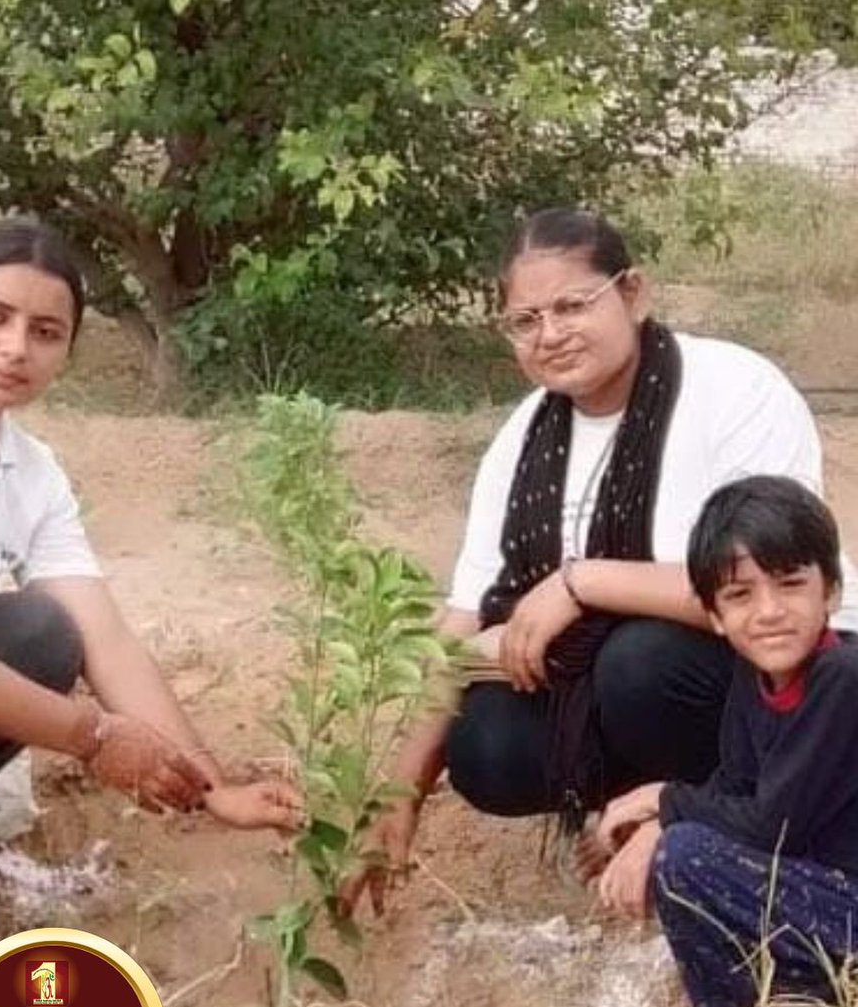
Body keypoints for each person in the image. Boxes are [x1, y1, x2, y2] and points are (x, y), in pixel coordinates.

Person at [339, 206, 858, 918]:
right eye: (525, 321)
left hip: (781, 675)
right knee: (486, 744)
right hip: (632, 693)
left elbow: (773, 583)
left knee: (639, 661)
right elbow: (463, 622)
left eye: (572, 305)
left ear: (633, 293)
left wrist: (581, 583)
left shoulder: (734, 389)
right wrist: (399, 794)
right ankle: (624, 811)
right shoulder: (523, 438)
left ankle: (694, 825)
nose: (550, 335)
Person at [0, 218, 302, 956]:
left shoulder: (30, 470)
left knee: (43, 634)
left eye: (45, 332)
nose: (15, 347)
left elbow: (102, 637)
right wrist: (93, 736)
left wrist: (209, 786)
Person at [591, 475, 858, 1007]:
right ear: (714, 615)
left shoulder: (842, 677)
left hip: (846, 904)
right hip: (826, 901)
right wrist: (651, 828)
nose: (768, 612)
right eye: (740, 594)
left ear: (830, 590)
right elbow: (734, 787)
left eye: (790, 584)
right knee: (679, 853)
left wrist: (664, 803)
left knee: (686, 857)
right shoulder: (753, 675)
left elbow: (771, 826)